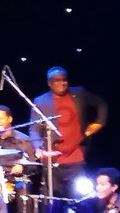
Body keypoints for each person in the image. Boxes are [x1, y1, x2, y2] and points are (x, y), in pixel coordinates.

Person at [30, 66, 107, 197]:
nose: (62, 83)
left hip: (76, 156)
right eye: (57, 80)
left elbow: (100, 103)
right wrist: (38, 148)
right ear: (49, 83)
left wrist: (99, 122)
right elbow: (34, 129)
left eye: (64, 80)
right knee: (55, 200)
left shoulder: (79, 93)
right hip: (53, 159)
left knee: (80, 198)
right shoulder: (41, 102)